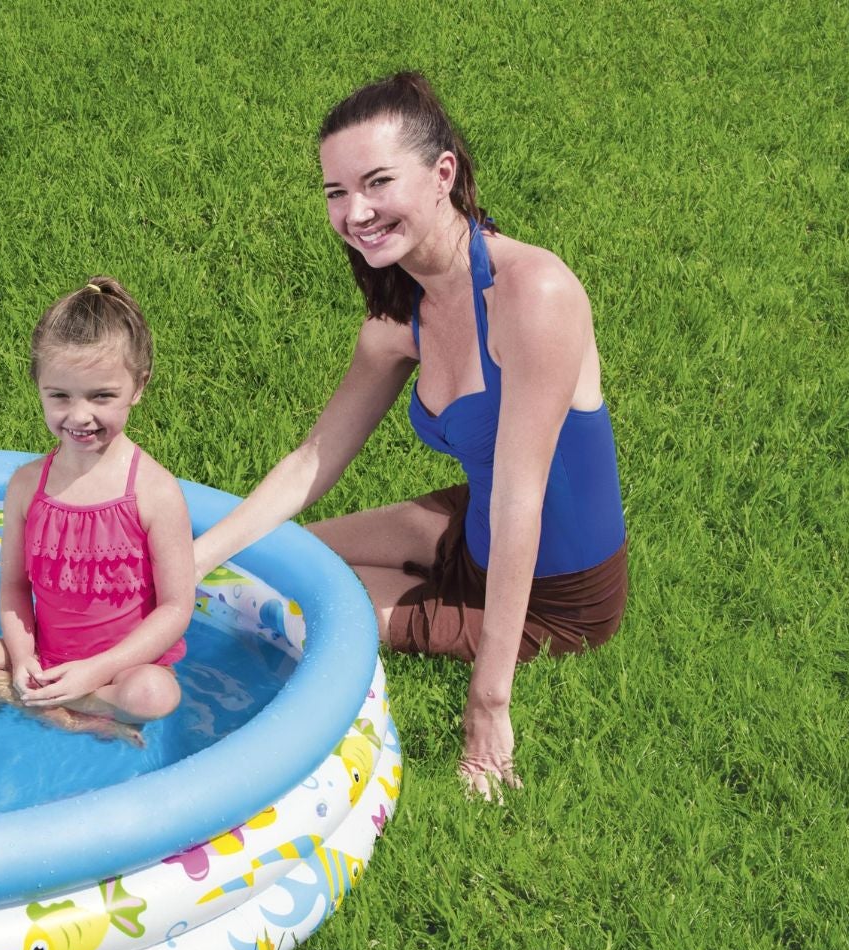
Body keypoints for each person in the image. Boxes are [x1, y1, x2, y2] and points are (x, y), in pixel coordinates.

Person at [192, 72, 627, 798]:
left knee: (292, 608)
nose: (354, 212)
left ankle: (455, 629)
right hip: (471, 525)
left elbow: (525, 501)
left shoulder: (534, 294)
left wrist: (488, 708)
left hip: (555, 595)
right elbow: (313, 459)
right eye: (336, 192)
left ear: (442, 175)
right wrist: (197, 556)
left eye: (376, 183)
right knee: (276, 563)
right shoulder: (403, 319)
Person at [0, 277, 195, 745]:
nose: (79, 415)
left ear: (139, 386)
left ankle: (36, 703)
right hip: (45, 656)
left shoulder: (155, 492)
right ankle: (70, 710)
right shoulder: (27, 485)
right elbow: (13, 585)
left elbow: (176, 607)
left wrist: (97, 670)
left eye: (102, 396)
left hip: (120, 670)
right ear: (39, 387)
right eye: (60, 396)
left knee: (154, 694)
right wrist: (24, 656)